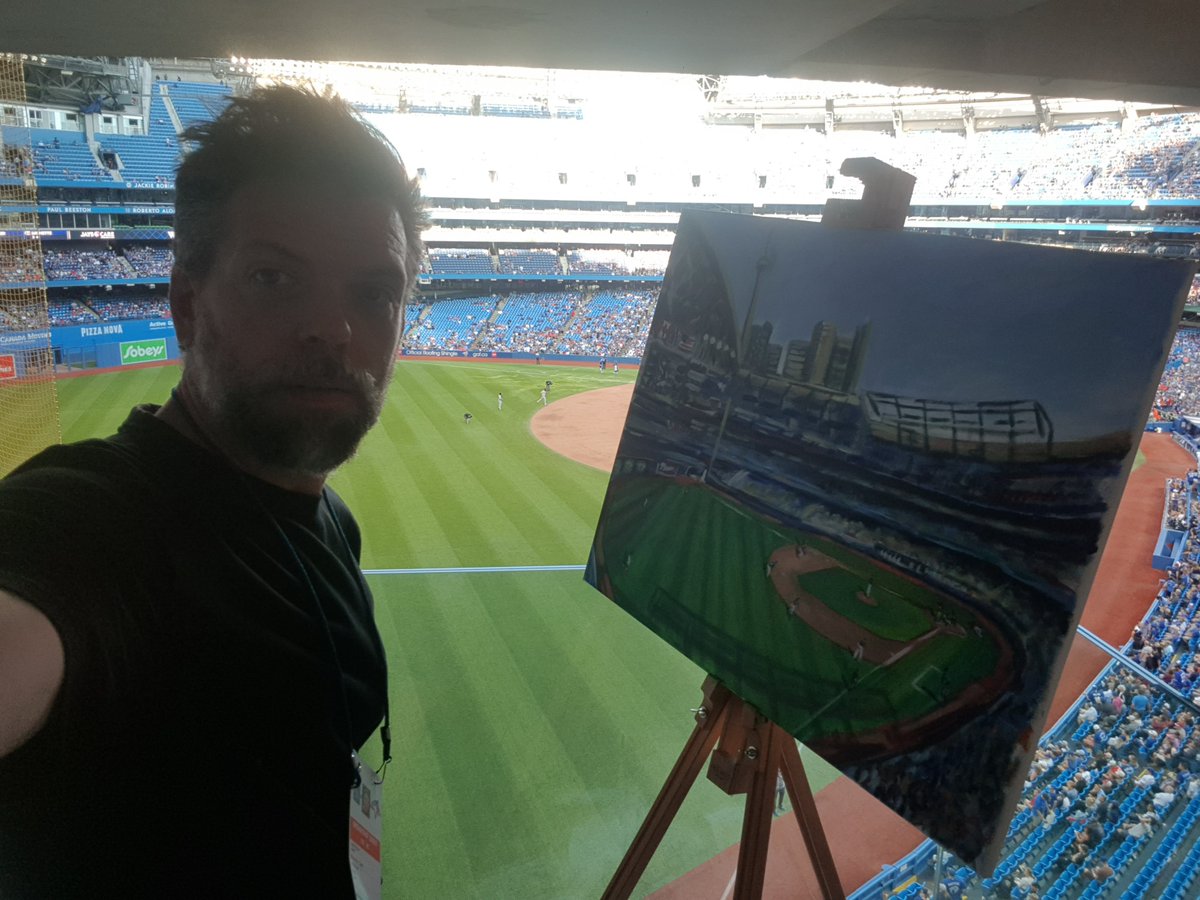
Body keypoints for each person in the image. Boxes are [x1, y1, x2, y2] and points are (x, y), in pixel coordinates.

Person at [0, 85, 428, 898]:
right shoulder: (92, 522)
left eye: (374, 293)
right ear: (186, 305)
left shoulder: (329, 521)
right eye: (274, 278)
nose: (333, 330)